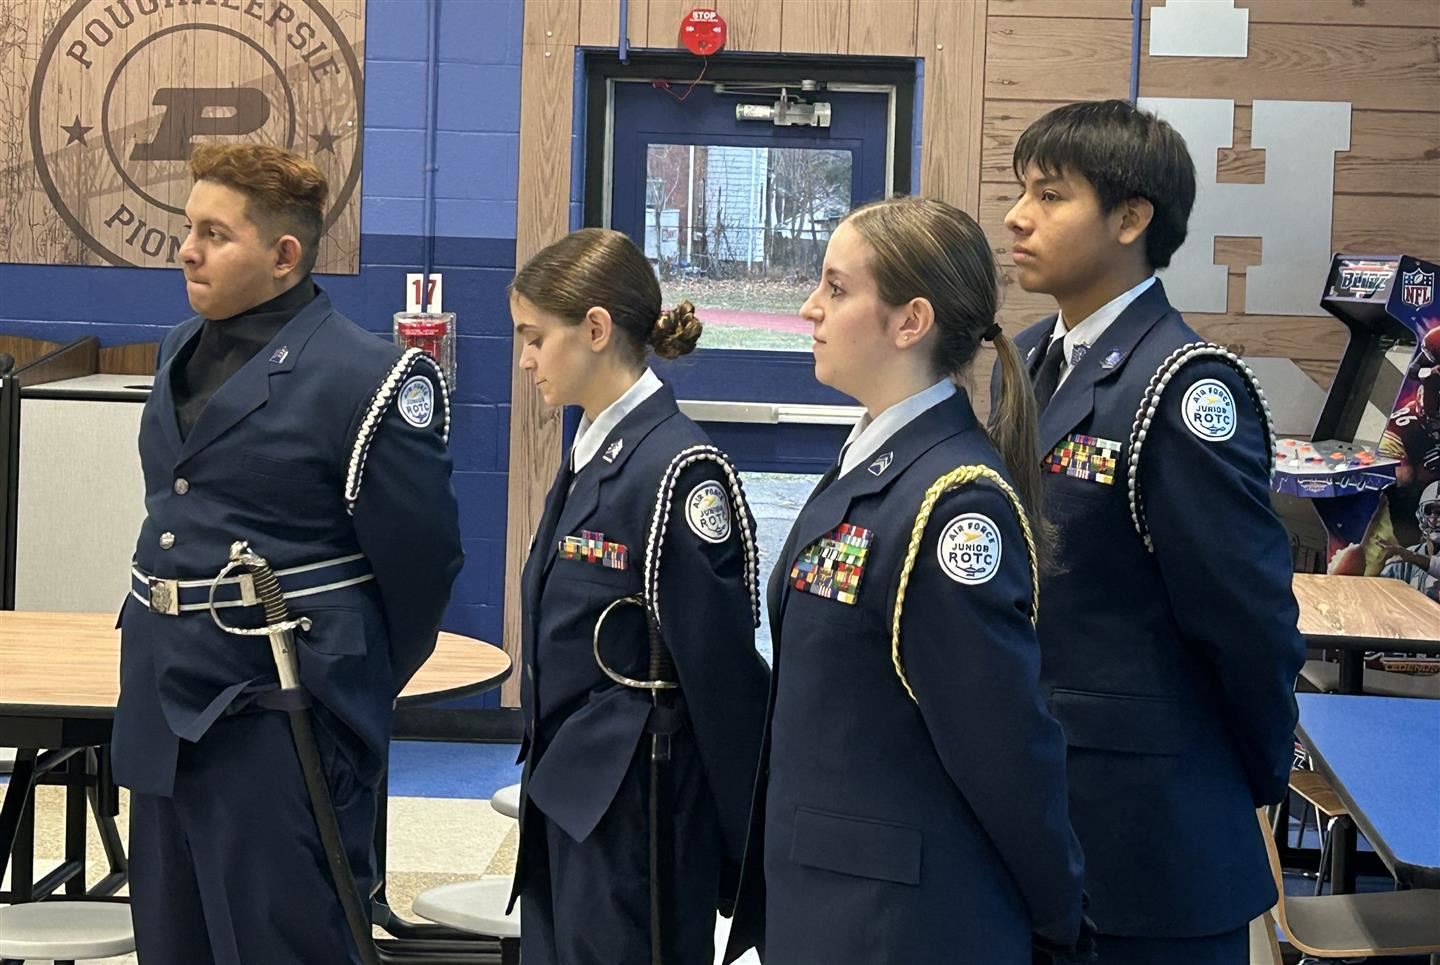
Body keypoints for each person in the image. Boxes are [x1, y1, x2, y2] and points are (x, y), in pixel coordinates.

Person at [113, 143, 463, 964]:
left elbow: (422, 571)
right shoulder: (177, 349)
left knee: (284, 945)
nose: (188, 250)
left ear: (283, 255)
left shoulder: (369, 376)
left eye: (214, 233)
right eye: (186, 228)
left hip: (277, 718)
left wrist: (343, 687)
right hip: (162, 704)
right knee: (174, 942)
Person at [725, 196, 1091, 965]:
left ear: (909, 321)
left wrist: (1060, 918)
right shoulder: (878, 461)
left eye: (837, 287)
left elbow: (1004, 751)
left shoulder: (955, 503)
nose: (810, 307)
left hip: (902, 924)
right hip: (833, 901)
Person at [1002, 99, 1306, 964]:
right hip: (1040, 814)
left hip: (1152, 832)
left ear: (1131, 218)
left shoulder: (1182, 388)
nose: (1019, 217)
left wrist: (1231, 779)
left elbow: (1247, 624)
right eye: (1021, 190)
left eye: (1052, 195)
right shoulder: (1027, 359)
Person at [508, 227, 770, 964]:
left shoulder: (678, 466)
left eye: (535, 337)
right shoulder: (598, 444)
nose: (525, 358)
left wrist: (745, 855)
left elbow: (722, 677)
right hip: (569, 784)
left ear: (595, 329)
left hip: (640, 802)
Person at [1380, 481, 1440, 601]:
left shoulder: (1407, 555)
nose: (1435, 519)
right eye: (1430, 511)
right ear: (1421, 515)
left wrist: (1411, 556)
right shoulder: (1402, 562)